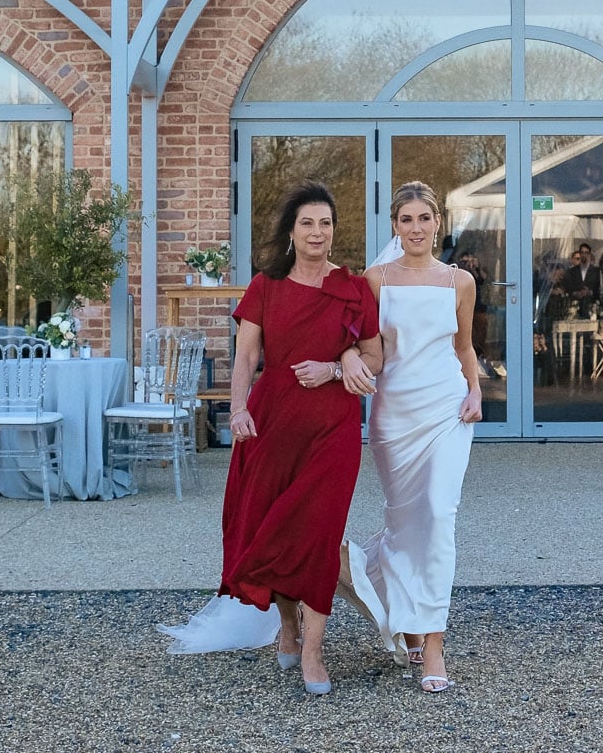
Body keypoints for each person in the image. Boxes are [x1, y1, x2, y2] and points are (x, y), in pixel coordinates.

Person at [156, 181, 382, 697]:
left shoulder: (354, 289)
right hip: (273, 419)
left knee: (318, 533)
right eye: (307, 223)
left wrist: (335, 365)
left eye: (325, 223)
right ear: (292, 230)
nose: (317, 232)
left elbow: (375, 358)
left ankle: (314, 649)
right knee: (273, 528)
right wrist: (237, 410)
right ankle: (287, 625)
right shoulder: (266, 285)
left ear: (333, 231)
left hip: (334, 424)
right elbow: (246, 358)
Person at [337, 180, 481, 694]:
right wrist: (349, 359)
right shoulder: (375, 280)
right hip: (394, 414)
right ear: (394, 226)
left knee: (439, 514)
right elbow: (357, 344)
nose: (416, 228)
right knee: (405, 522)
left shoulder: (459, 282)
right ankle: (395, 605)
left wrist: (475, 393)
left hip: (446, 409)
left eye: (424, 218)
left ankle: (433, 642)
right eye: (406, 220)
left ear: (437, 222)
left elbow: (465, 348)